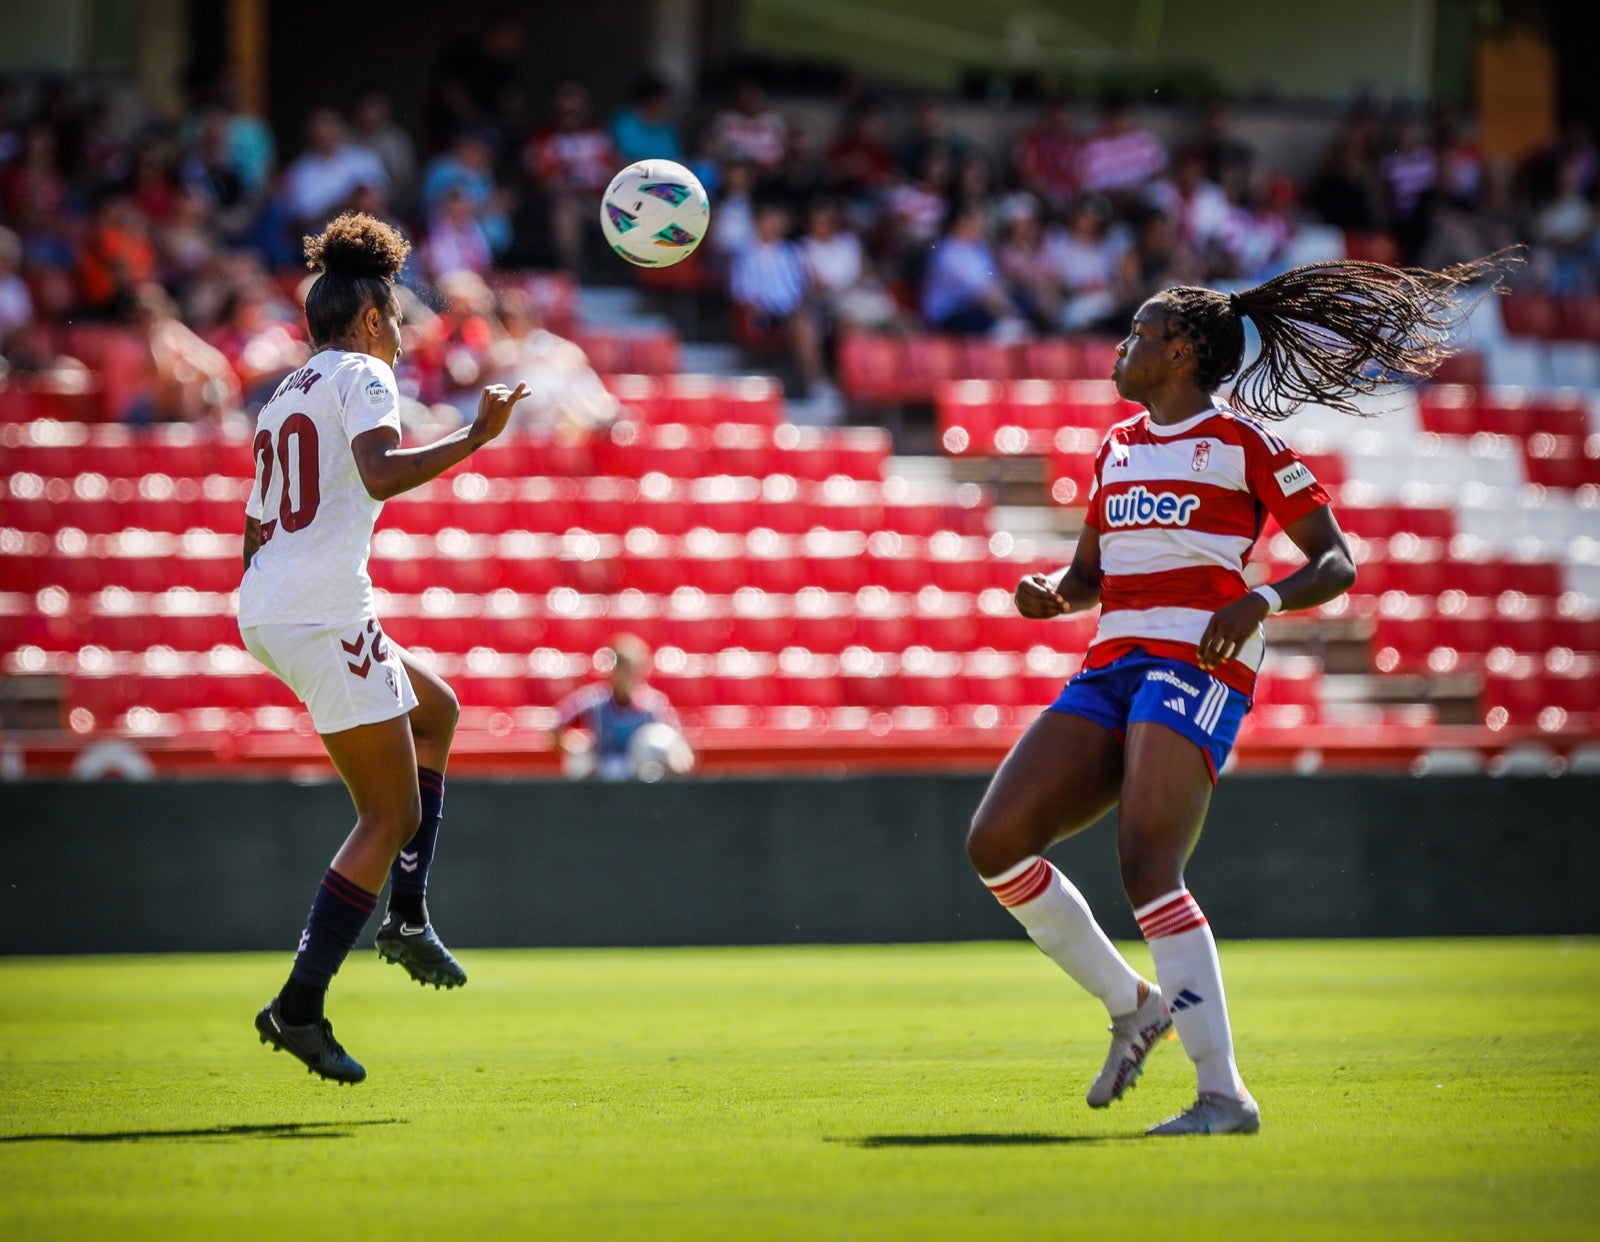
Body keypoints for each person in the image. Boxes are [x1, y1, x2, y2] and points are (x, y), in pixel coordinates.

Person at [965, 251, 1515, 1135]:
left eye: (1138, 331)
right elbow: (1088, 578)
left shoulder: (1244, 443)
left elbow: (1335, 561)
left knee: (1148, 864)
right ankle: (1132, 1004)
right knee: (995, 844)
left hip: (1201, 659)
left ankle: (1223, 1094)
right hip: (1113, 661)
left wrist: (1261, 597)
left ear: (1181, 348)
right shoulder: (1116, 449)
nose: (1122, 345)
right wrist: (1051, 595)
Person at [241, 212, 529, 1082]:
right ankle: (299, 1006)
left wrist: (281, 603)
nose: (403, 336)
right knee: (388, 814)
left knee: (436, 711)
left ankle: (406, 915)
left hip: (273, 602)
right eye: (398, 319)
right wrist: (476, 438)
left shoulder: (286, 392)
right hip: (322, 608)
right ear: (369, 320)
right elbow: (379, 471)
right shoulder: (364, 373)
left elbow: (256, 525)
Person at [551, 635, 686, 780]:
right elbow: (557, 723)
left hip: (640, 775)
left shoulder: (653, 703)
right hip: (601, 770)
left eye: (630, 670)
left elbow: (677, 740)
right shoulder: (594, 698)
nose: (625, 676)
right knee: (578, 760)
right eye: (620, 668)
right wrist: (577, 747)